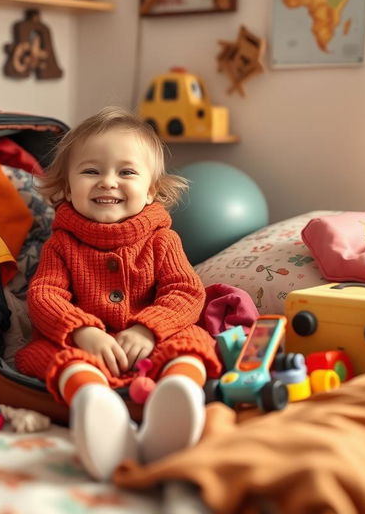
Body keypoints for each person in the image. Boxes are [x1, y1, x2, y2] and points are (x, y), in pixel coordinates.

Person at [15, 106, 221, 480]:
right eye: (91, 171)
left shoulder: (162, 240)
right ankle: (94, 404)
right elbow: (45, 295)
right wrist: (83, 331)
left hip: (150, 340)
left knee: (194, 340)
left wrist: (148, 328)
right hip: (85, 345)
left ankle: (177, 398)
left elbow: (186, 291)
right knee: (40, 354)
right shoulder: (60, 245)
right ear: (65, 187)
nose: (108, 182)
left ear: (151, 190)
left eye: (126, 172)